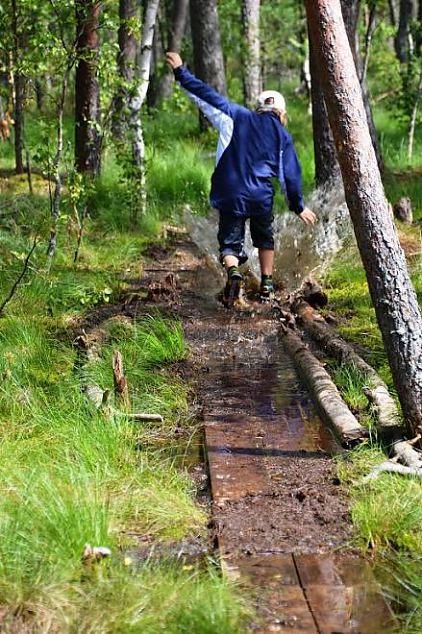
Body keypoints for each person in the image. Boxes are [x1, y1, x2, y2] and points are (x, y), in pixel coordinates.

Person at [166, 51, 316, 304]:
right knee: (265, 238)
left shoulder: (235, 116)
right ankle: (267, 283)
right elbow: (290, 174)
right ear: (282, 114)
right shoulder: (282, 135)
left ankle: (234, 272)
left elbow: (206, 95)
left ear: (258, 109)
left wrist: (181, 72)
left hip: (231, 193)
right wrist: (297, 205)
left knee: (229, 242)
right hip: (261, 196)